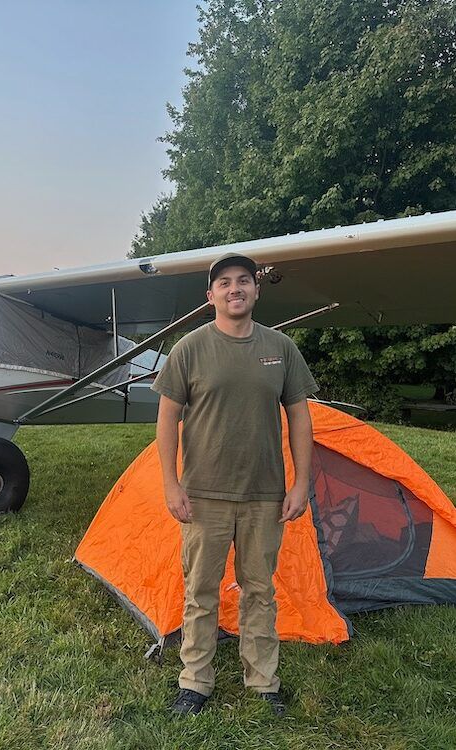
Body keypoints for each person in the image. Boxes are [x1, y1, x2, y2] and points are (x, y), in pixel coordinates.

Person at [151, 252, 317, 718]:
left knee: (259, 590)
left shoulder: (281, 348)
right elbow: (167, 420)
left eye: (243, 280)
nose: (235, 289)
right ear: (211, 296)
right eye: (224, 283)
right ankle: (195, 683)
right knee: (200, 591)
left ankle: (263, 682)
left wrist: (301, 482)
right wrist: (170, 483)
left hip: (266, 494)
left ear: (257, 290)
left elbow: (300, 416)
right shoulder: (190, 348)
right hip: (203, 495)